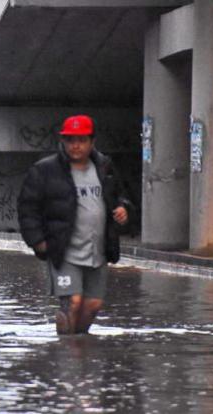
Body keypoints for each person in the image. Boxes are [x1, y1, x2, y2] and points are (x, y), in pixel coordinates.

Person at [17, 115, 131, 335]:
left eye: (81, 140)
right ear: (63, 142)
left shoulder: (105, 167)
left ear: (92, 142)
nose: (75, 145)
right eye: (70, 140)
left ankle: (75, 342)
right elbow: (27, 208)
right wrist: (38, 241)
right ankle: (68, 357)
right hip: (64, 250)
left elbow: (122, 196)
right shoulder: (45, 170)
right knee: (73, 301)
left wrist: (124, 210)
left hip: (97, 250)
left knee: (92, 306)